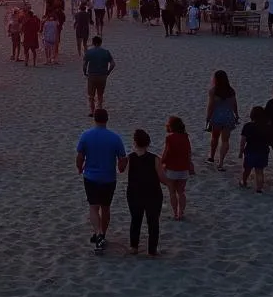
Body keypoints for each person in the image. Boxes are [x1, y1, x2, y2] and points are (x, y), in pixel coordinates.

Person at [76, 108, 128, 254]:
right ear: (107, 119)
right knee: (105, 207)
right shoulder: (115, 138)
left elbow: (80, 156)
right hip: (108, 177)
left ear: (95, 119)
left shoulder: (86, 135)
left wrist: (80, 168)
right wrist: (121, 168)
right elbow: (123, 160)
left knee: (93, 207)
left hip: (91, 176)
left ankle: (98, 233)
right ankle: (102, 234)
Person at [126, 129, 164, 257]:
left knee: (135, 219)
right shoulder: (155, 159)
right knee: (153, 222)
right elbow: (161, 177)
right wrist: (170, 184)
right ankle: (152, 250)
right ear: (148, 143)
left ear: (135, 142)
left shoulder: (130, 158)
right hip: (153, 193)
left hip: (134, 193)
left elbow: (123, 173)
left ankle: (134, 247)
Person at [160, 116, 194, 220]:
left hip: (172, 169)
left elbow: (166, 153)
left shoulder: (169, 138)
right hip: (183, 168)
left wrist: (162, 163)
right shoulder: (185, 137)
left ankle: (175, 213)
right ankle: (181, 213)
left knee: (172, 192)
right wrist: (190, 166)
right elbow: (189, 153)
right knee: (181, 192)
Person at [205, 70, 239, 170]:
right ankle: (221, 162)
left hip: (217, 117)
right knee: (225, 140)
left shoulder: (213, 91)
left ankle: (211, 156)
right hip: (228, 117)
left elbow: (211, 106)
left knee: (214, 138)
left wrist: (208, 118)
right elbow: (234, 104)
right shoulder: (231, 90)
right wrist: (236, 115)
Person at [239, 106, 271, 192]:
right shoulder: (267, 127)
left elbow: (243, 141)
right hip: (263, 151)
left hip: (250, 151)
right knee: (259, 170)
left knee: (247, 169)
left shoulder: (248, 126)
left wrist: (241, 152)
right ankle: (259, 188)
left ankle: (244, 181)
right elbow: (270, 140)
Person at [82, 36, 115, 117]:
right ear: (100, 43)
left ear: (93, 43)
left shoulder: (89, 52)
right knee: (100, 94)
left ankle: (92, 111)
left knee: (91, 95)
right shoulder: (106, 52)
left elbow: (84, 65)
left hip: (92, 75)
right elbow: (113, 64)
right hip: (102, 75)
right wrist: (108, 72)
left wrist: (85, 72)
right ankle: (99, 109)